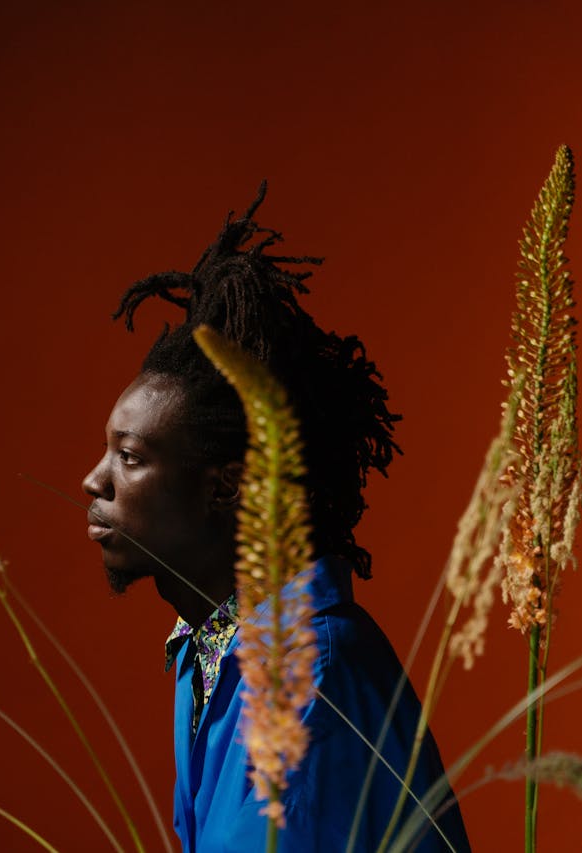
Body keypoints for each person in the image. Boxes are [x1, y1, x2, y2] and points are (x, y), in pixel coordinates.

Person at [82, 184, 470, 852]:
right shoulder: (206, 652)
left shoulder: (308, 675)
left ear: (225, 487)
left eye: (130, 457)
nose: (95, 480)